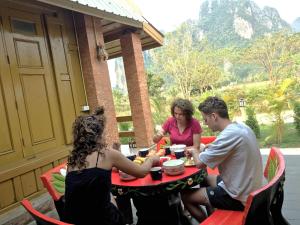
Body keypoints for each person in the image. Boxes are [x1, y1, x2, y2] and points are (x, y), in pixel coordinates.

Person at [64, 106, 160, 225]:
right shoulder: (107, 154)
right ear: (99, 135)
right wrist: (151, 160)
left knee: (108, 194)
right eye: (104, 132)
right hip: (101, 220)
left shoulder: (73, 159)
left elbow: (92, 176)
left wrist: (116, 154)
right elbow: (141, 172)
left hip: (74, 220)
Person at [182, 96, 263, 223]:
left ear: (214, 116)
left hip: (241, 197)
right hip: (250, 187)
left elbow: (199, 164)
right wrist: (211, 146)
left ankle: (209, 222)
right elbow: (227, 146)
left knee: (186, 197)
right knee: (204, 178)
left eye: (205, 119)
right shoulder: (240, 127)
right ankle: (211, 207)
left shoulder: (228, 136)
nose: (205, 123)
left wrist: (194, 150)